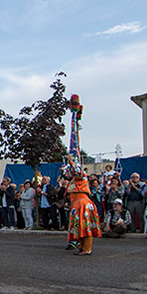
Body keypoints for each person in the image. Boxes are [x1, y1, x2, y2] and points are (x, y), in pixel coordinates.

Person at [63, 95, 102, 255]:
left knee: (85, 227)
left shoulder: (80, 175)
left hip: (82, 203)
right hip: (76, 204)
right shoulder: (73, 178)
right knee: (79, 227)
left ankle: (87, 248)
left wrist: (72, 161)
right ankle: (81, 246)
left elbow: (77, 170)